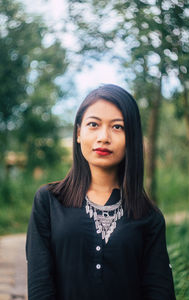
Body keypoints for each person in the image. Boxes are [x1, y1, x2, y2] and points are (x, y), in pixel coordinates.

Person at [26, 84, 176, 300]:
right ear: (79, 133)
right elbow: (40, 287)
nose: (104, 137)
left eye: (117, 127)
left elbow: (159, 292)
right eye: (93, 124)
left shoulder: (148, 217)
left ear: (131, 138)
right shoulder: (49, 201)